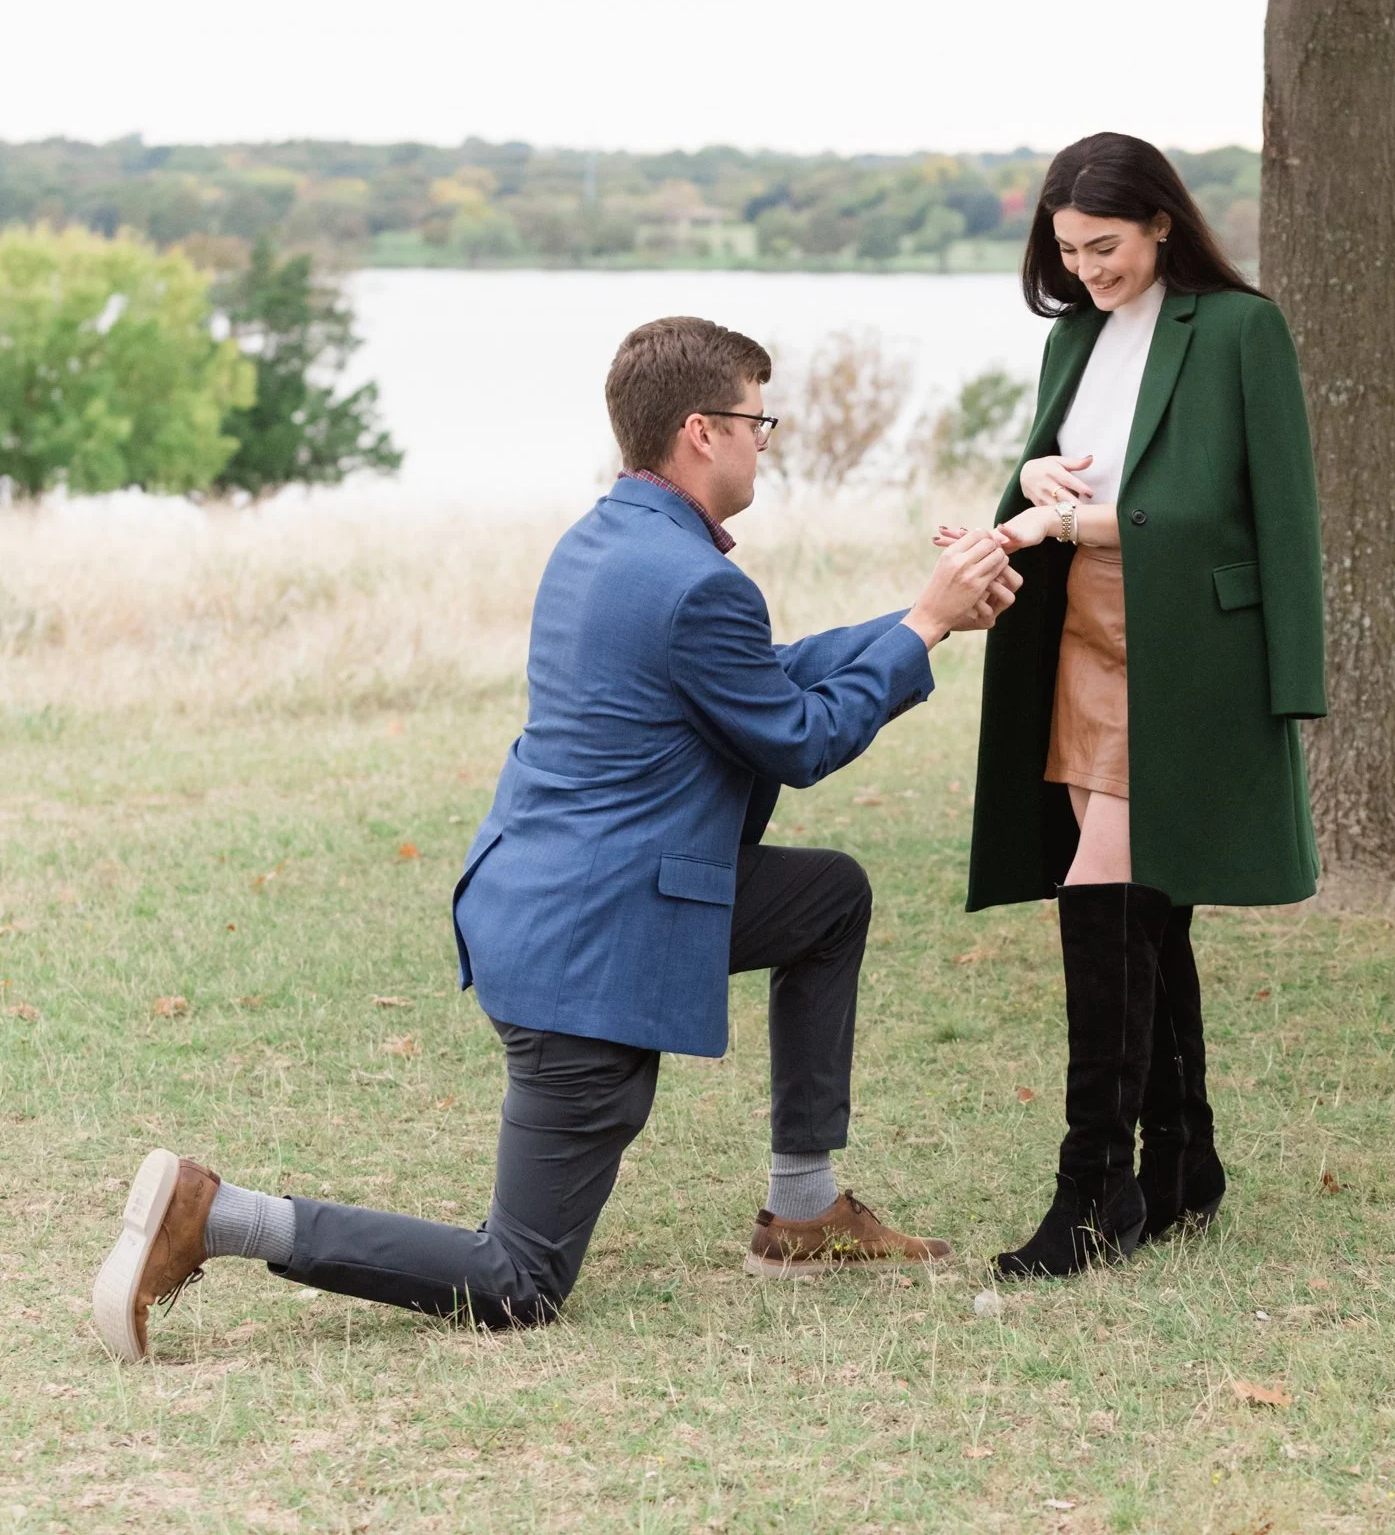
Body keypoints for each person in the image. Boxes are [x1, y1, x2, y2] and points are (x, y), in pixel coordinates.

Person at [93, 315, 1018, 1361]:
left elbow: (759, 677)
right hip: (589, 944)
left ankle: (801, 1212)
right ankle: (217, 1214)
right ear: (701, 432)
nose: (771, 440)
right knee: (519, 1278)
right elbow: (799, 739)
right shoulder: (698, 582)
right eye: (761, 419)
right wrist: (924, 629)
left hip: (542, 897)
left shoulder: (607, 542)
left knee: (827, 896)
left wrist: (921, 612)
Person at [951, 134, 1326, 1280]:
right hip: (1077, 630)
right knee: (1141, 902)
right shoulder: (1073, 333)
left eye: (1103, 246)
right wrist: (1032, 485)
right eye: (1066, 249)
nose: (1086, 269)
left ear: (1162, 221)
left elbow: (1252, 515)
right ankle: (1181, 1164)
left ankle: (1091, 1188)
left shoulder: (1240, 328)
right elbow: (1055, 464)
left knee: (1104, 885)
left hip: (1185, 643)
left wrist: (1074, 521)